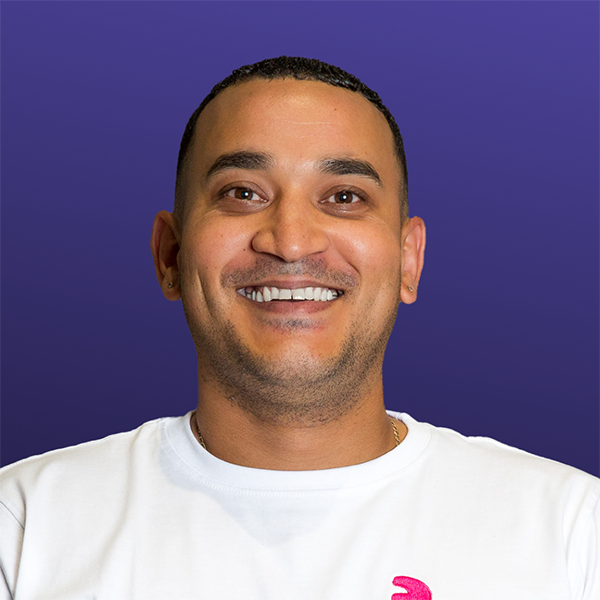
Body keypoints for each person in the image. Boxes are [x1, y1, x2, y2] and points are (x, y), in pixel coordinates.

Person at [0, 56, 597, 600]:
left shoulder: (572, 534)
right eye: (242, 193)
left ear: (408, 260)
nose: (290, 240)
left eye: (344, 196)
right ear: (170, 255)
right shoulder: (24, 526)